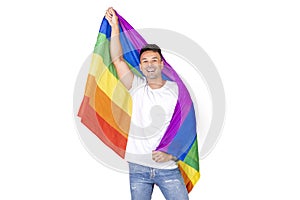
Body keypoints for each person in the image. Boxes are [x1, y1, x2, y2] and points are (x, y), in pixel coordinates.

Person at [105, 7, 189, 200]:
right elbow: (117, 60)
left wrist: (172, 154)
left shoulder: (177, 90)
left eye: (154, 60)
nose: (150, 64)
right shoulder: (136, 86)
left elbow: (187, 127)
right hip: (138, 168)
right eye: (145, 61)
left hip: (167, 168)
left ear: (161, 64)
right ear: (141, 67)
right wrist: (115, 27)